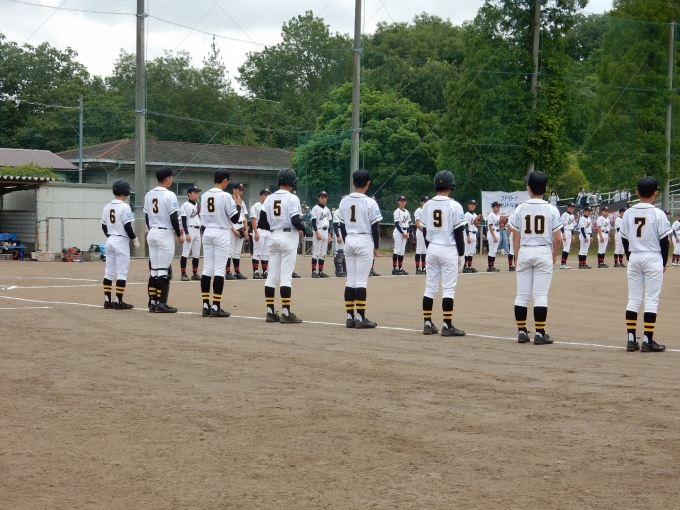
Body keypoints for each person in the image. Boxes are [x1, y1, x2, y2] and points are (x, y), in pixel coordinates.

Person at [509, 171, 562, 345]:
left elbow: (515, 235)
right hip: (543, 251)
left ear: (528, 188)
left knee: (522, 295)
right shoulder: (551, 209)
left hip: (525, 250)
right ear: (545, 189)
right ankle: (540, 333)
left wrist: (516, 255)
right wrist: (554, 254)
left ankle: (521, 331)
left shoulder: (520, 208)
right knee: (540, 296)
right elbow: (557, 238)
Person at [620, 176, 671, 352]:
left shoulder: (628, 212)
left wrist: (629, 257)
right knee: (651, 300)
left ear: (637, 192)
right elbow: (664, 241)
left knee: (633, 299)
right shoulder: (658, 213)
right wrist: (664, 261)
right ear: (656, 193)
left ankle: (631, 339)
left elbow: (624, 239)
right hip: (653, 256)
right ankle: (648, 341)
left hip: (635, 256)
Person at [420, 170, 467, 336]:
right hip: (448, 248)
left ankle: (427, 323)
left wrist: (430, 247)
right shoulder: (455, 205)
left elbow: (425, 231)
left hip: (432, 247)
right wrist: (461, 254)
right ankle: (447, 325)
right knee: (448, 288)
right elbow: (459, 233)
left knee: (430, 287)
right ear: (451, 186)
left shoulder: (427, 205)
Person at [258, 168, 305, 324]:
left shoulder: (269, 198)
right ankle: (286, 313)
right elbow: (295, 220)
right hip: (288, 236)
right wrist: (303, 228)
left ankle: (270, 312)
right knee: (286, 277)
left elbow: (262, 222)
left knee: (271, 276)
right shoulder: (292, 198)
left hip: (274, 236)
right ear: (293, 181)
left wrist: (274, 226)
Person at [337, 169, 383, 329]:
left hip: (349, 239)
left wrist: (346, 240)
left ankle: (350, 317)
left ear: (353, 182)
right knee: (361, 281)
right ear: (368, 183)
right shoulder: (370, 202)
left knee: (351, 280)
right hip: (364, 239)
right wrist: (376, 246)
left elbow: (341, 224)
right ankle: (360, 318)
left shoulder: (344, 200)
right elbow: (375, 226)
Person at [199, 170, 243, 317]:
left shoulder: (205, 195)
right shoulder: (225, 196)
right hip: (221, 232)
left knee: (207, 268)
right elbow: (235, 219)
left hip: (207, 231)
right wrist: (238, 205)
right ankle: (216, 306)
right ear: (224, 180)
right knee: (219, 270)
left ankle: (206, 305)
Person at [144, 167, 184, 313]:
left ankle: (152, 302)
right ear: (167, 178)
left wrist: (152, 228)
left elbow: (147, 217)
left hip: (152, 231)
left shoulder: (149, 194)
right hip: (164, 233)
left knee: (154, 270)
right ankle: (161, 303)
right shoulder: (169, 194)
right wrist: (179, 234)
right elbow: (173, 217)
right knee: (163, 270)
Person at [101, 179, 140, 310]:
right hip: (121, 241)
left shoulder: (107, 206)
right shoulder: (124, 207)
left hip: (110, 240)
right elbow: (127, 226)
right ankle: (118, 301)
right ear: (126, 191)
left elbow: (103, 226)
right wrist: (134, 238)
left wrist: (110, 236)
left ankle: (107, 301)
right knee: (122, 273)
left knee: (109, 272)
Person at [225, 182, 248, 280]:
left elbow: (244, 216)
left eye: (242, 190)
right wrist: (233, 230)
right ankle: (227, 272)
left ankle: (237, 272)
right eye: (239, 189)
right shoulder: (229, 200)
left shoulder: (242, 202)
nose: (240, 192)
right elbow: (228, 217)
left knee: (237, 251)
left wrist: (246, 228)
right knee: (230, 250)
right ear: (234, 190)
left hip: (241, 226)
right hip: (232, 227)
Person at [180, 185, 202, 281]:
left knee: (196, 254)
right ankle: (183, 274)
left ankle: (194, 273)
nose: (196, 194)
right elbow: (184, 220)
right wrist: (187, 233)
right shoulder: (185, 205)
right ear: (189, 194)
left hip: (197, 230)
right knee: (185, 253)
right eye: (194, 192)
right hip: (189, 229)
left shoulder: (198, 205)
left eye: (197, 193)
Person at [250, 188, 271, 279]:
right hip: (259, 230)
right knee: (257, 252)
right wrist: (256, 232)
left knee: (266, 253)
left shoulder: (270, 206)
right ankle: (255, 272)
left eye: (268, 195)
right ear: (260, 196)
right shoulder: (256, 206)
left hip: (268, 231)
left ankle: (264, 271)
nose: (267, 196)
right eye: (265, 195)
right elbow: (253, 220)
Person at [310, 191, 332, 278]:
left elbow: (328, 222)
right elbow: (313, 222)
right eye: (322, 197)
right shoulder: (315, 208)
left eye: (325, 197)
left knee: (323, 253)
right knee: (316, 252)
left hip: (326, 231)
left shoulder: (327, 209)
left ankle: (320, 272)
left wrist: (329, 234)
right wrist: (316, 233)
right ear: (318, 198)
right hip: (318, 230)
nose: (324, 199)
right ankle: (313, 272)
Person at [392, 196, 411, 275]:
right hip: (399, 232)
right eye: (401, 201)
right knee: (397, 250)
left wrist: (408, 233)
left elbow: (408, 223)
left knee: (402, 250)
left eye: (404, 201)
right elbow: (396, 224)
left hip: (405, 231)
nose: (402, 202)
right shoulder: (397, 211)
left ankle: (400, 267)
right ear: (398, 202)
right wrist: (403, 233)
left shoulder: (407, 211)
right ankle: (394, 268)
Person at [463, 199, 480, 273]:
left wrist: (478, 223)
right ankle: (465, 267)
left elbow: (476, 226)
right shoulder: (466, 214)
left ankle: (469, 266)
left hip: (474, 233)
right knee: (467, 251)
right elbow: (466, 226)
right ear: (468, 205)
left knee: (471, 252)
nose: (473, 206)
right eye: (472, 204)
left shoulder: (475, 215)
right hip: (469, 233)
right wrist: (468, 236)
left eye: (474, 205)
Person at [413, 196, 428, 274]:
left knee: (425, 250)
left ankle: (424, 268)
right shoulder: (418, 211)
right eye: (424, 201)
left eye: (426, 201)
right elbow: (417, 223)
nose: (425, 203)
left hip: (426, 232)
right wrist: (424, 230)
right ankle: (417, 268)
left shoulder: (428, 211)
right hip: (420, 231)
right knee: (419, 249)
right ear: (421, 202)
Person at [559, 202, 576, 269]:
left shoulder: (572, 216)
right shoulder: (564, 215)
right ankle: (562, 264)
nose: (572, 209)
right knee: (566, 248)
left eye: (573, 207)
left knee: (567, 248)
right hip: (565, 231)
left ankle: (563, 263)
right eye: (570, 207)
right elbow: (561, 225)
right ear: (567, 207)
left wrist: (573, 235)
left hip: (569, 231)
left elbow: (572, 226)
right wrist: (563, 234)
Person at [332, 207, 347, 276]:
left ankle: (345, 270)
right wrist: (338, 236)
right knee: (339, 252)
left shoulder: (348, 211)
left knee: (345, 253)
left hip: (347, 233)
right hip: (339, 232)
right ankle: (338, 271)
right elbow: (335, 225)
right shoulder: (337, 212)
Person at [486, 201, 501, 272]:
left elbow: (498, 225)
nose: (498, 208)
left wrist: (502, 225)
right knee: (492, 250)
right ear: (493, 207)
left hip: (497, 232)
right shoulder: (491, 215)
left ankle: (492, 265)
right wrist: (494, 236)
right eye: (497, 206)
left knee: (494, 251)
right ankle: (489, 266)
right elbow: (490, 226)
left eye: (499, 207)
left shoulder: (498, 215)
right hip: (492, 233)